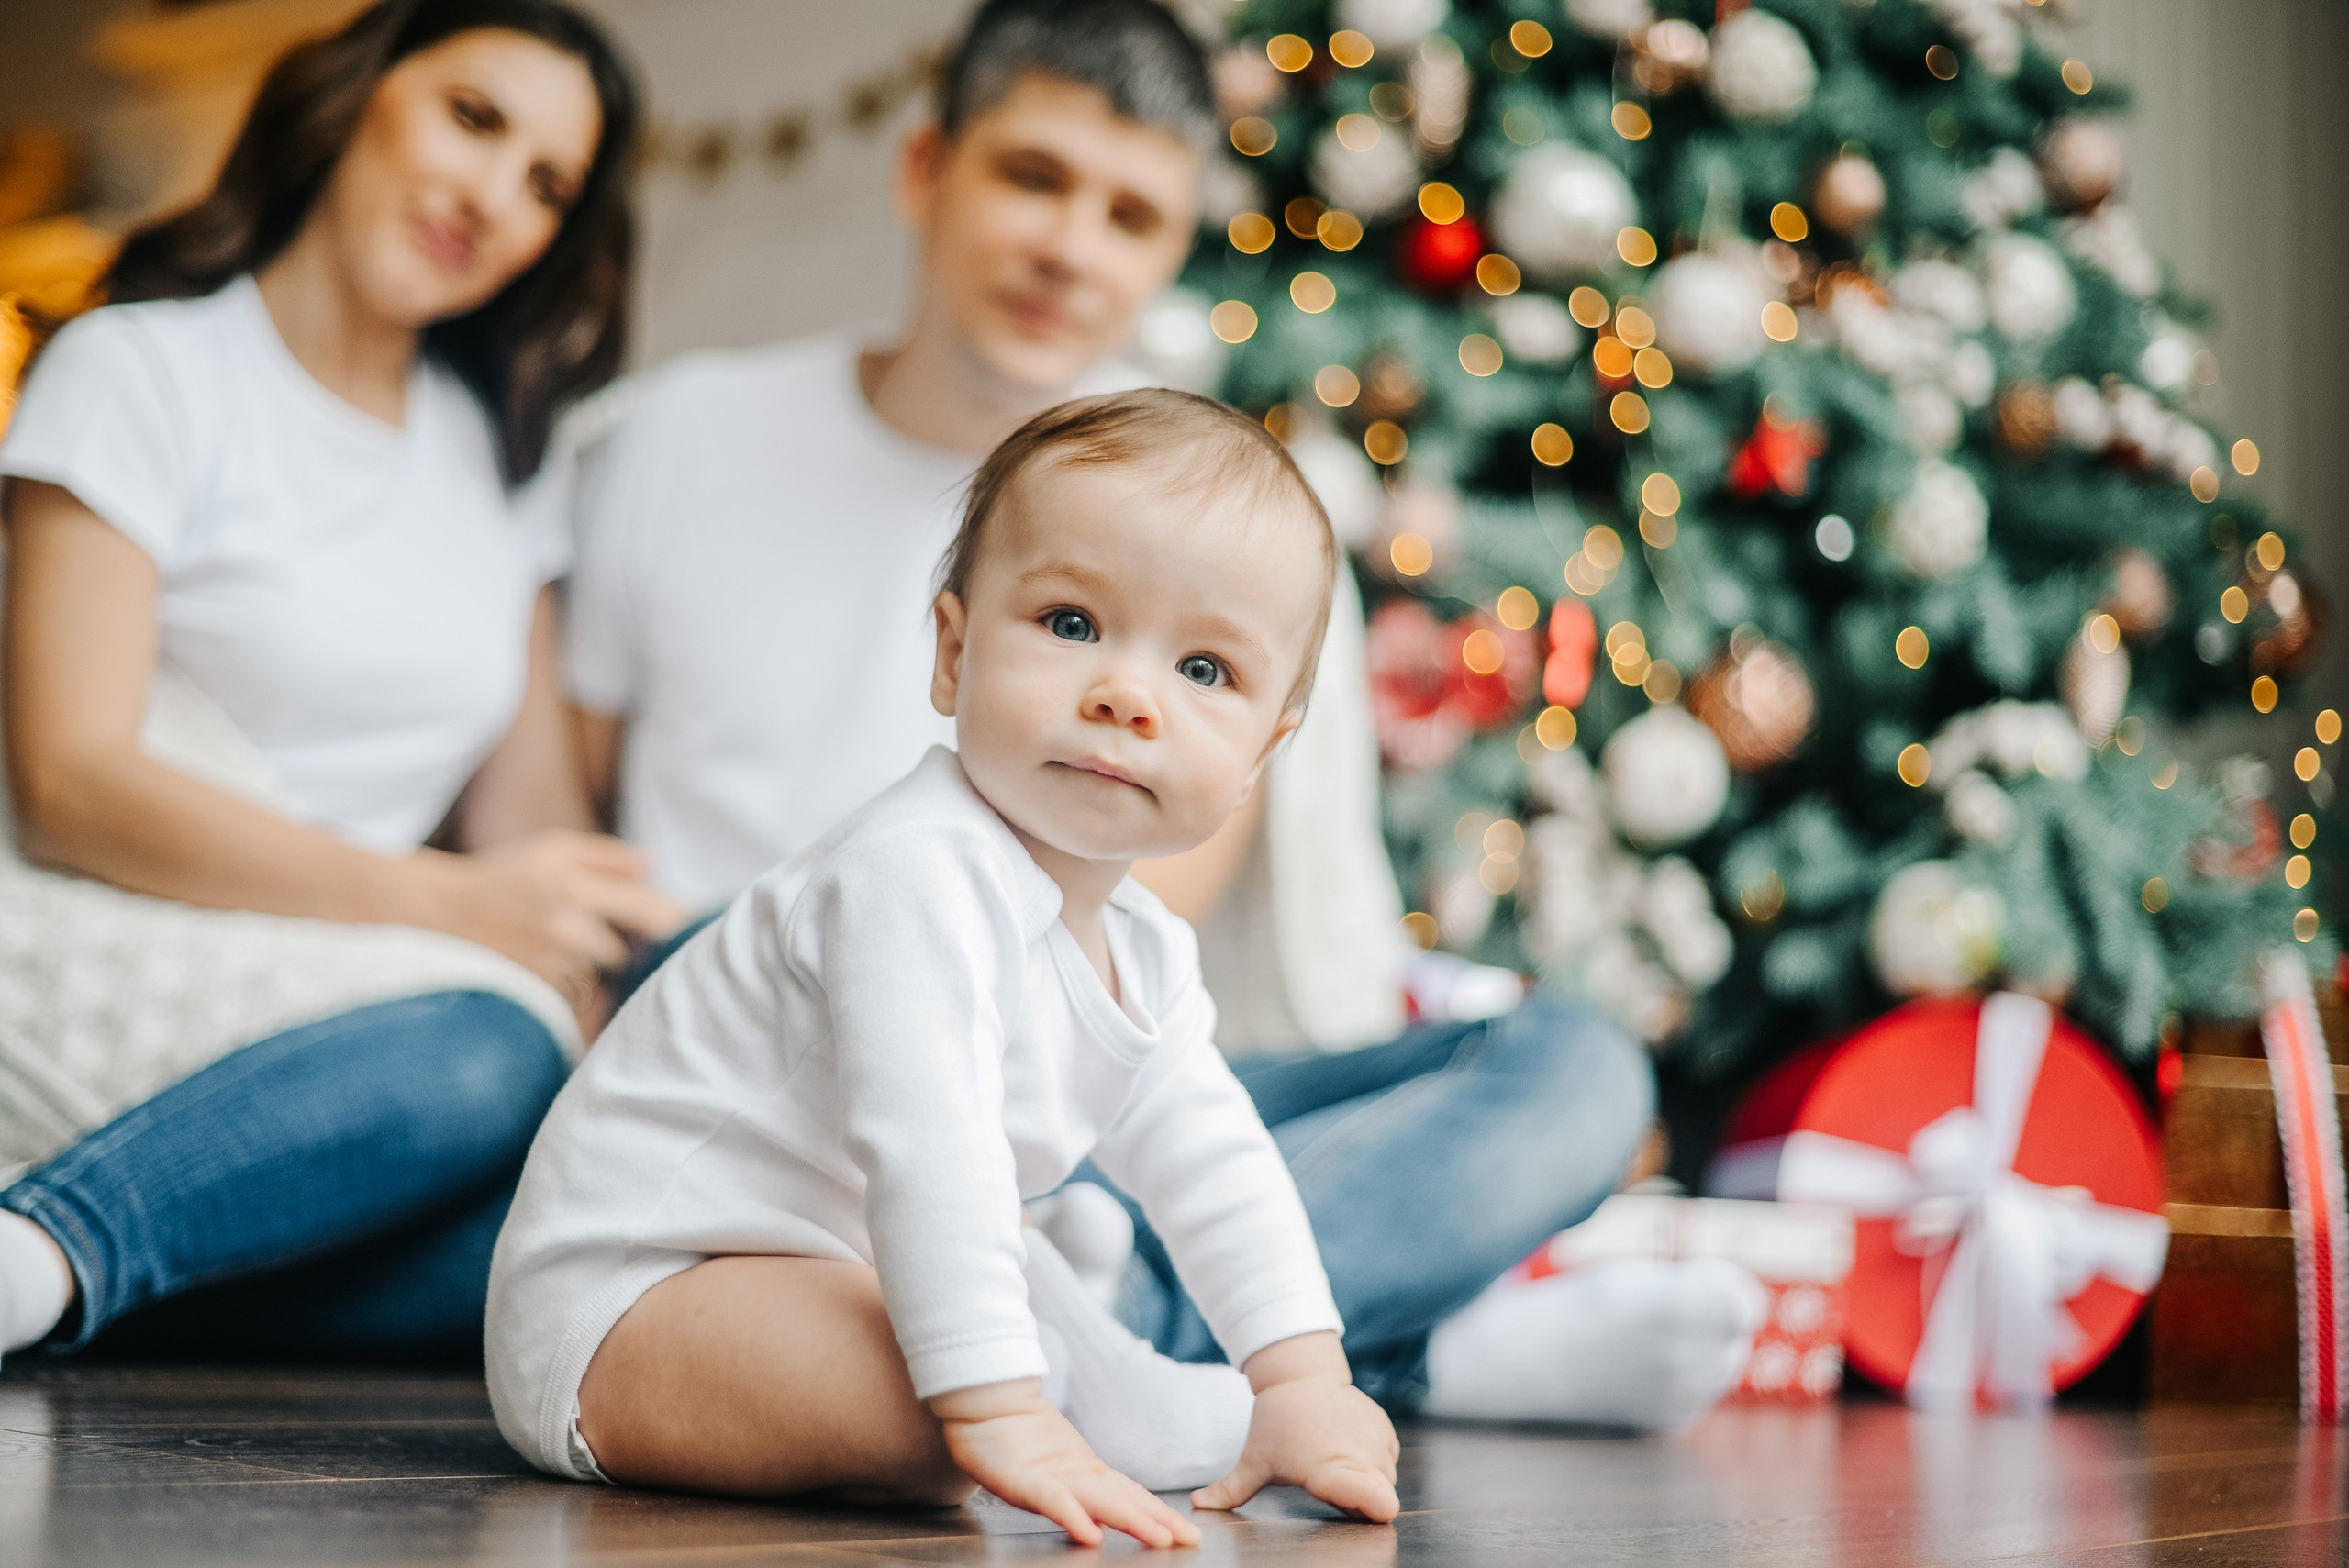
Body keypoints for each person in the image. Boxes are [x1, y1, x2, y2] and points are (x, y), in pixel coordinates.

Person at [565, 0, 1758, 1428]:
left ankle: (1162, 1339)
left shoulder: (1207, 519)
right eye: (1033, 178)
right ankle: (1317, 1359)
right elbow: (558, 813)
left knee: (1573, 1065)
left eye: (1130, 213)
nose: (1072, 247)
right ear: (926, 167)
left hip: (1049, 1077)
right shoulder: (680, 434)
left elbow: (1126, 932)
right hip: (753, 1036)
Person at [490, 392, 1398, 1544]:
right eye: (1071, 622)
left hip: (837, 1267)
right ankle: (1056, 1382)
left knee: (975, 1331)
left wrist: (1301, 1375)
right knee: (938, 1408)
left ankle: (1100, 1381)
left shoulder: (1145, 947)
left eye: (1206, 668)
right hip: (635, 1297)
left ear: (1264, 750)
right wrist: (1000, 1409)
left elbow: (1211, 1157)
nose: (1127, 694)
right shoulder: (913, 869)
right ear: (954, 653)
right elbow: (932, 1143)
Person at [0, 0, 677, 1366]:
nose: (492, 197)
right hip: (113, 926)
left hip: (349, 981)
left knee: (719, 978)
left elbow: (528, 827)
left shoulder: (502, 453)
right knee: (493, 1054)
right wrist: (452, 906)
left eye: (547, 184)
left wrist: (633, 954)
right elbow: (70, 785)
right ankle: (46, 1245)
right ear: (356, 95)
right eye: (473, 119)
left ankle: (133, 1271)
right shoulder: (144, 367)